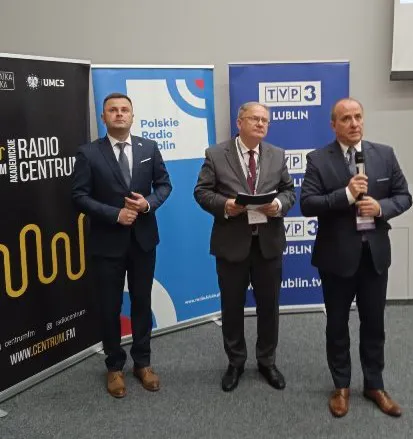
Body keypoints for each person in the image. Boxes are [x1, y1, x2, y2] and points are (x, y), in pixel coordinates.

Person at [300, 98, 412, 417]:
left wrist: (381, 208)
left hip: (374, 255)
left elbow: (404, 196)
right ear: (333, 125)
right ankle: (341, 386)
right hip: (336, 257)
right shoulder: (318, 159)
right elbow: (308, 204)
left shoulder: (384, 154)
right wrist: (347, 195)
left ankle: (374, 384)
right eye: (346, 118)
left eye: (358, 117)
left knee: (374, 323)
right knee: (337, 324)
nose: (354, 123)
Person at [72, 93, 172, 398]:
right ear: (103, 117)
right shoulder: (89, 153)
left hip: (143, 241)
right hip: (107, 243)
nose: (119, 114)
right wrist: (115, 214)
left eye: (124, 110)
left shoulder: (148, 148)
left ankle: (143, 363)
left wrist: (147, 204)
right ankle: (114, 366)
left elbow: (164, 185)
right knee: (109, 307)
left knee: (142, 302)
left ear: (132, 115)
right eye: (112, 110)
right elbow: (79, 197)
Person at [194, 102, 295, 392]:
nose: (261, 124)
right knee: (232, 306)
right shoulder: (216, 154)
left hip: (268, 244)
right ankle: (235, 362)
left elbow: (289, 191)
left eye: (265, 120)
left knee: (269, 307)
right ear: (239, 123)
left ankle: (267, 361)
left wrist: (278, 205)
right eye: (255, 119)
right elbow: (201, 192)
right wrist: (225, 205)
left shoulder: (277, 154)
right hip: (231, 244)